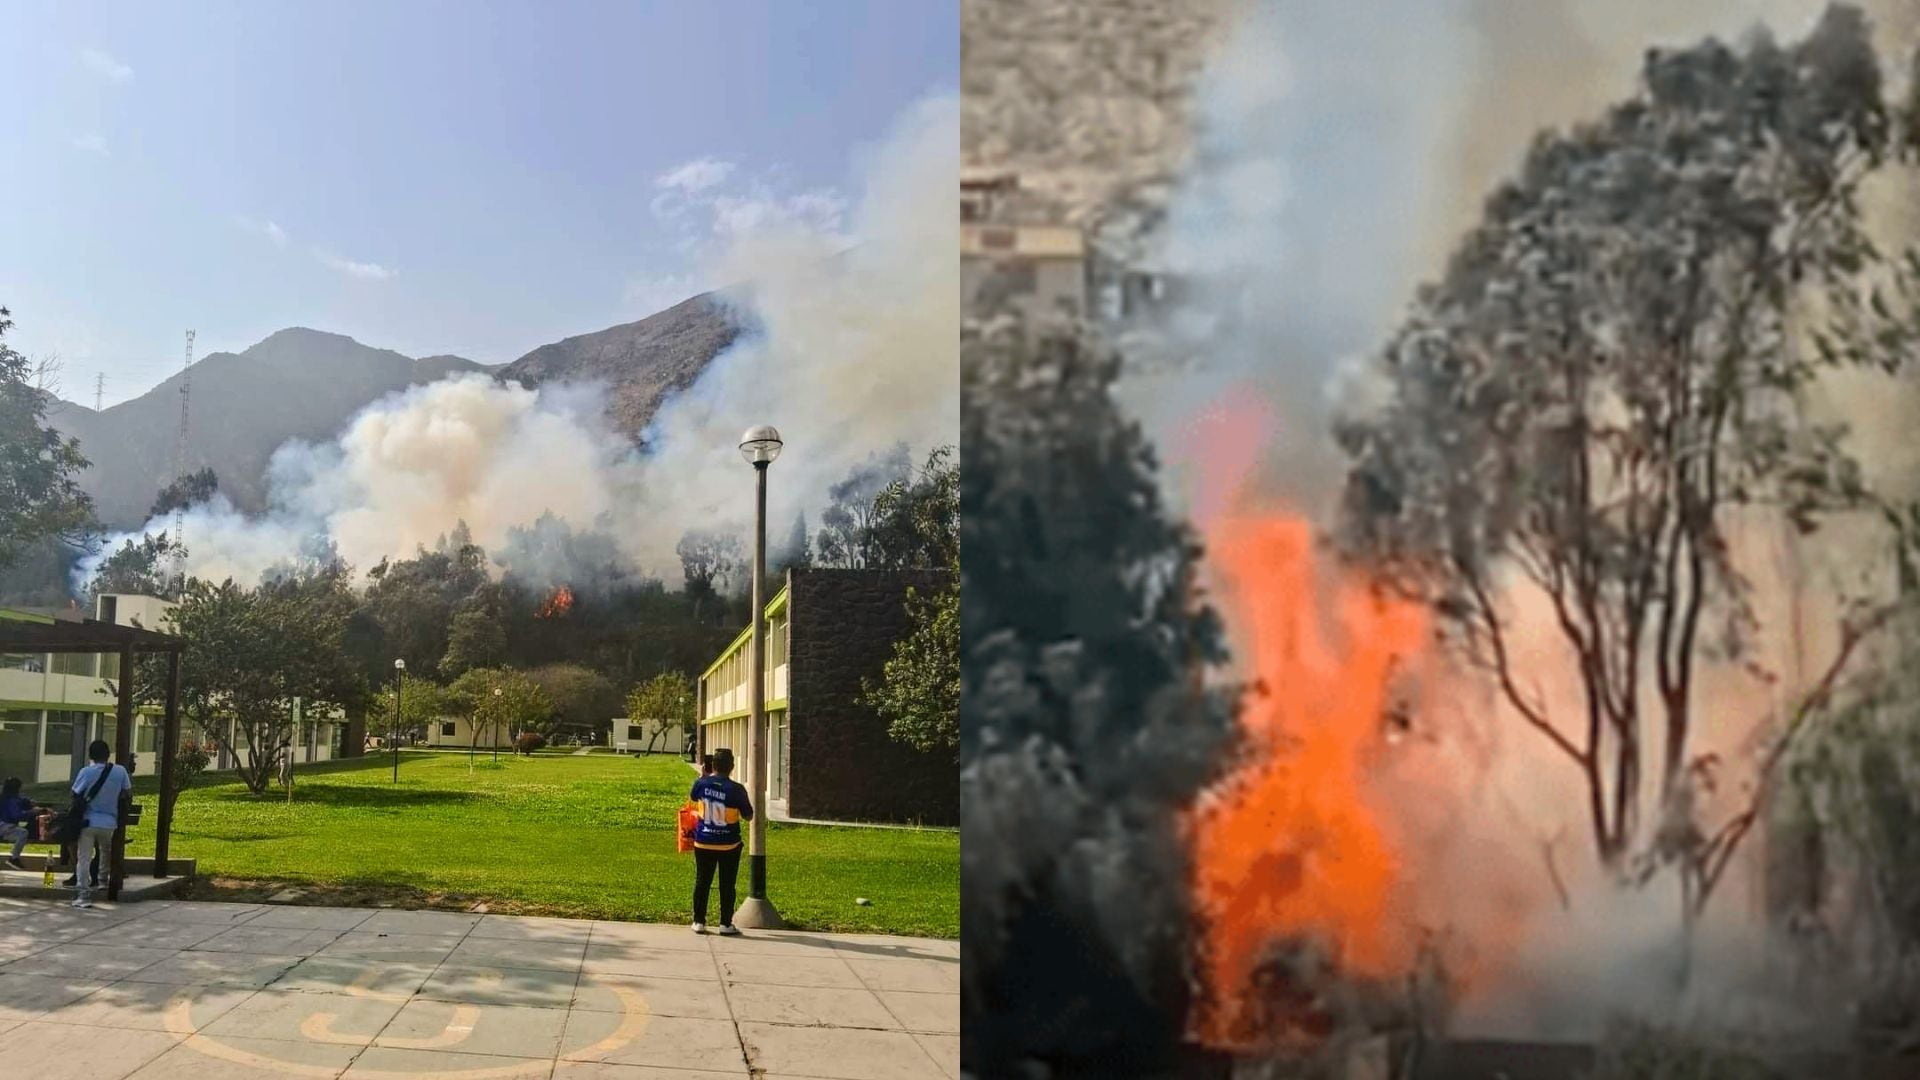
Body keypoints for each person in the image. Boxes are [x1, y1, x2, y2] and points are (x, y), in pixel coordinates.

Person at [688, 747, 752, 935]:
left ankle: (699, 921)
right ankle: (725, 923)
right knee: (727, 884)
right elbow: (748, 816)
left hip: (703, 841)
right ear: (732, 767)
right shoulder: (737, 790)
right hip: (729, 844)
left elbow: (693, 796)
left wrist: (703, 776)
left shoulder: (701, 784)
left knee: (702, 881)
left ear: (712, 765)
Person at [69, 740, 130, 909]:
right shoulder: (120, 771)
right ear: (108, 754)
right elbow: (126, 793)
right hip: (110, 821)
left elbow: (74, 794)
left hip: (88, 822)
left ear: (91, 756)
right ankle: (103, 881)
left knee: (84, 858)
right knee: (106, 851)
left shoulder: (86, 772)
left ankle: (84, 894)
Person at [1, 777, 34, 870]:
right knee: (23, 833)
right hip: (4, 826)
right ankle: (14, 858)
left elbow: (20, 800)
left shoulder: (8, 797)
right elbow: (17, 815)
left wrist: (28, 802)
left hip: (6, 825)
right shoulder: (10, 800)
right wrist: (32, 812)